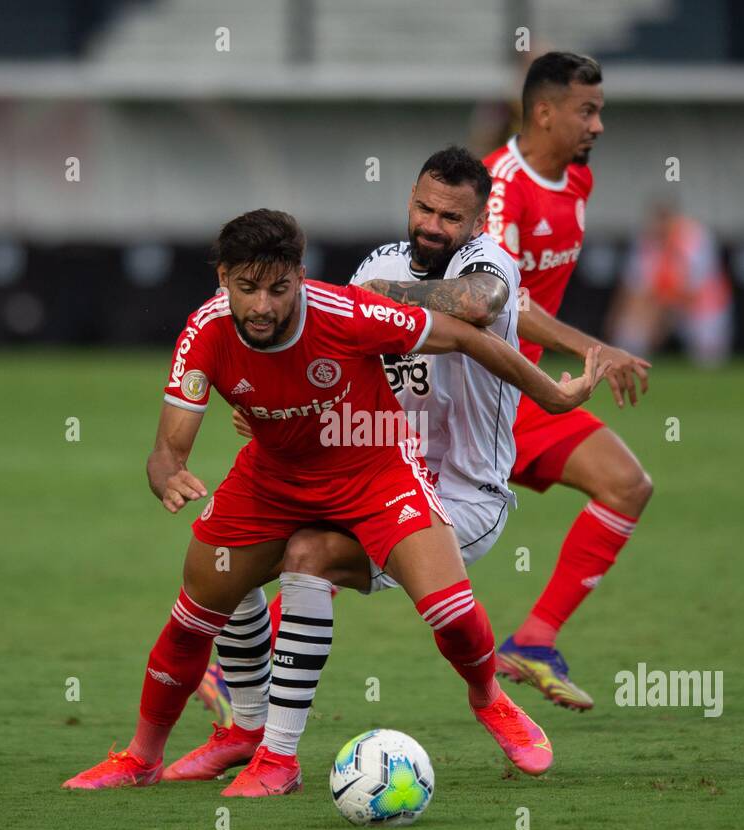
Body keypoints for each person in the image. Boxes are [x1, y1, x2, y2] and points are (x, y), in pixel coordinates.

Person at [61, 208, 612, 790]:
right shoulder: (205, 330)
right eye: (247, 288)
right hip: (273, 479)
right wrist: (168, 473)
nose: (264, 305)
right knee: (194, 614)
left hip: (374, 471)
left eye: (278, 288)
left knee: (449, 612)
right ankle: (154, 757)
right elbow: (166, 450)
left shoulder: (346, 313)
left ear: (300, 275)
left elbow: (464, 335)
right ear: (222, 279)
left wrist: (551, 396)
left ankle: (489, 697)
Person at [164, 147, 528, 795]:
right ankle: (254, 739)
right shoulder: (378, 263)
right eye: (423, 206)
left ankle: (488, 692)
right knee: (237, 556)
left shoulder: (489, 261)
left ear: (478, 222)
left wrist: (369, 298)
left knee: (383, 588)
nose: (432, 224)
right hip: (361, 470)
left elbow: (481, 306)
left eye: (451, 215)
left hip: (464, 492)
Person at [479, 51, 654, 710]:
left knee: (627, 484)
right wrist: (594, 347)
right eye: (587, 110)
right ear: (544, 112)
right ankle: (229, 660)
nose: (599, 125)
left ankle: (533, 639)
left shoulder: (576, 180)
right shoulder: (500, 187)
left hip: (525, 388)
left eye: (601, 109)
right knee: (353, 544)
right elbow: (500, 300)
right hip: (473, 388)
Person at [607, 199, 733, 367]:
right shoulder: (645, 242)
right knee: (628, 337)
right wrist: (619, 319)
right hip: (659, 305)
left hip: (700, 309)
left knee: (709, 355)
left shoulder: (696, 239)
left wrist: (663, 315)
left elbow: (693, 292)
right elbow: (633, 289)